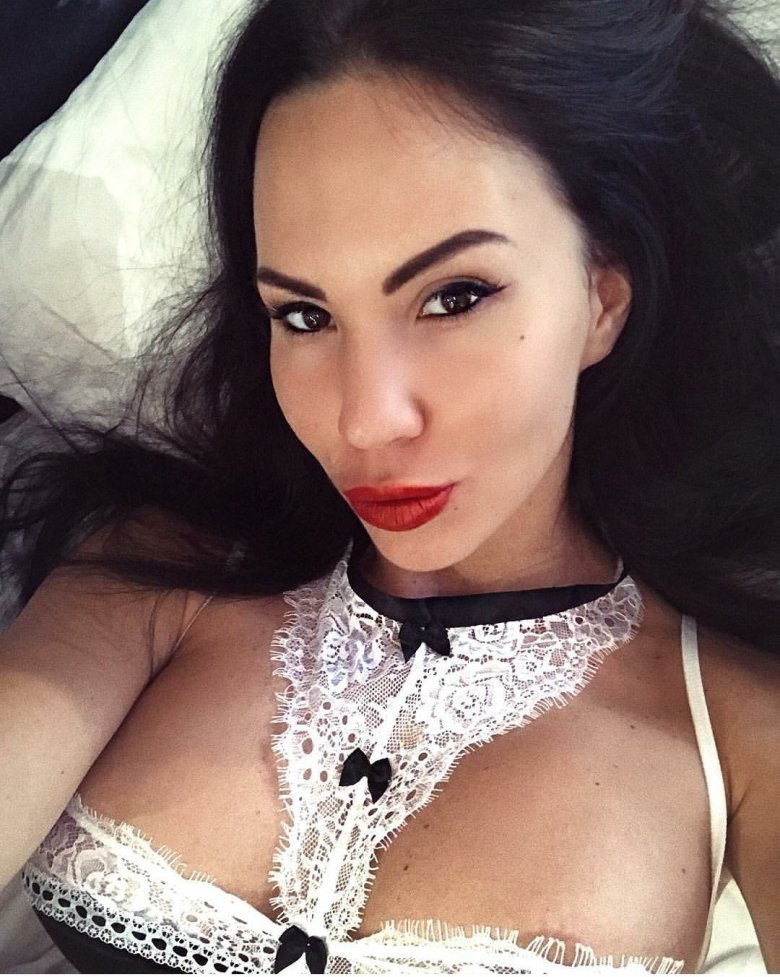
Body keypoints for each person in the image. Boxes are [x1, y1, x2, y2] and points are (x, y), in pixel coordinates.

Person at [1, 0, 780, 972]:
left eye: (454, 296)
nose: (365, 420)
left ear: (602, 298)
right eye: (304, 315)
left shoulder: (738, 721)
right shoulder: (160, 571)